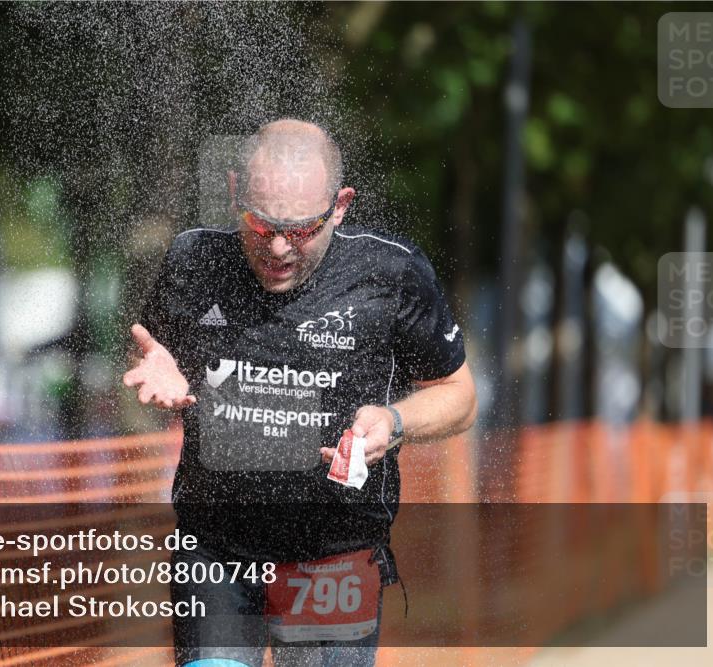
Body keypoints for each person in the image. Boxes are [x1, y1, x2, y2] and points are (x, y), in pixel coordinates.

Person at [124, 118, 477, 667]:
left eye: (301, 230)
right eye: (260, 224)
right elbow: (152, 355)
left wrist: (394, 422)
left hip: (335, 557)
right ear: (235, 192)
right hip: (216, 553)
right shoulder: (194, 261)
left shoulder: (389, 273)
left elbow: (459, 395)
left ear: (340, 206)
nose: (278, 248)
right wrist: (157, 365)